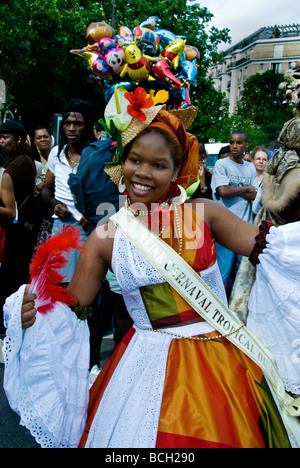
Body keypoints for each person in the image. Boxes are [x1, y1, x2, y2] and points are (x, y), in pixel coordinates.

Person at [6, 88, 293, 448]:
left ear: (177, 171)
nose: (143, 173)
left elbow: (274, 252)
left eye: (158, 165)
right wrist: (32, 310)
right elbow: (74, 307)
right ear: (121, 163)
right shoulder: (106, 234)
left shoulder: (204, 214)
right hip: (141, 367)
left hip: (219, 367)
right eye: (135, 160)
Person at [211, 130, 258, 292]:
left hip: (245, 228)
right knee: (221, 275)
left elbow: (255, 195)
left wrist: (233, 188)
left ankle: (235, 312)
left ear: (246, 145)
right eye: (231, 142)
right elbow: (222, 191)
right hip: (224, 228)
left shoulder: (250, 168)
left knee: (241, 276)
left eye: (239, 143)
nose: (234, 146)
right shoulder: (221, 164)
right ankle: (217, 312)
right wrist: (246, 188)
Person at [0, 120, 37, 323]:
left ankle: (11, 319)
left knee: (12, 275)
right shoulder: (13, 159)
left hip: (18, 228)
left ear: (19, 138)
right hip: (14, 226)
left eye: (5, 137)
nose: (1, 141)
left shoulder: (21, 161)